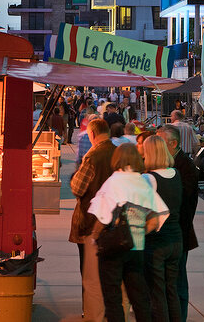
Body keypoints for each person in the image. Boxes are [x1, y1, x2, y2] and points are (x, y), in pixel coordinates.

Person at [88, 144, 167, 322]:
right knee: (138, 296)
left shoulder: (114, 181)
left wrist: (94, 237)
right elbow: (155, 219)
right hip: (137, 248)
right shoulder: (143, 182)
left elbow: (103, 217)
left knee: (113, 296)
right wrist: (137, 232)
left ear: (117, 159)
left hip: (113, 248)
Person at [70, 118, 116, 322]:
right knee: (110, 271)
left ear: (93, 134)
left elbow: (77, 188)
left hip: (91, 222)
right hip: (114, 222)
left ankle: (90, 311)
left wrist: (75, 175)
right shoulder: (119, 153)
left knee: (90, 274)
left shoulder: (93, 157)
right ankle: (109, 309)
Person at [160, 125, 200, 321]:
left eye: (161, 143)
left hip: (179, 231)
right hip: (173, 232)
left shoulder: (184, 166)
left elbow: (182, 200)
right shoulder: (171, 163)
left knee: (178, 282)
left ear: (173, 143)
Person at [142, 135, 183, 322]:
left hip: (156, 240)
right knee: (171, 289)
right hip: (176, 236)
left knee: (156, 292)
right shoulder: (175, 173)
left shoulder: (148, 178)